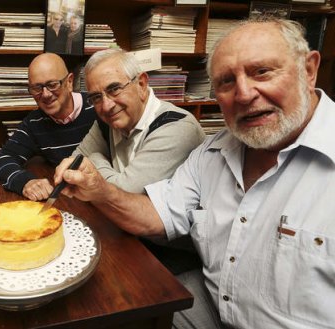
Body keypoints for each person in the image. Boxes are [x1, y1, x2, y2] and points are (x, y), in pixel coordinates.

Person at [55, 17, 334, 328]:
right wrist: (102, 190)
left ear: (308, 70)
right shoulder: (212, 153)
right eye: (227, 81)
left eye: (262, 72)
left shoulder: (177, 127)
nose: (244, 94)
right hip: (211, 306)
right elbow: (156, 214)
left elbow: (113, 177)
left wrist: (96, 166)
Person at [74, 48, 205, 194]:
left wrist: (94, 159)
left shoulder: (177, 127)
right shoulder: (109, 120)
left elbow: (127, 195)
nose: (106, 106)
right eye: (96, 97)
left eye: (115, 89)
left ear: (141, 84)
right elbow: (73, 163)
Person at [0, 53, 96, 201]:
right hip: (68, 199)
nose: (45, 94)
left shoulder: (98, 107)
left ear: (70, 82)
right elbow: (0, 159)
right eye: (37, 88)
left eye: (52, 85)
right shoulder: (34, 123)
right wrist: (25, 182)